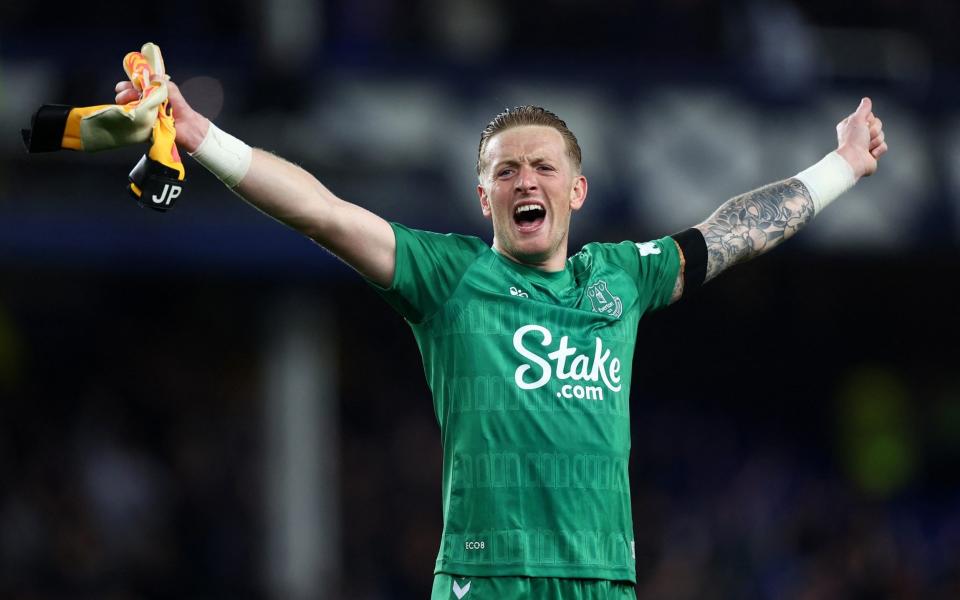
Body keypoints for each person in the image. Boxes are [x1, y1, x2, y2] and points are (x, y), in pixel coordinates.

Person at [115, 76, 887, 599]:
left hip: (602, 581)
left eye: (544, 168)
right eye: (507, 170)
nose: (527, 181)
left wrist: (842, 167)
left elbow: (730, 234)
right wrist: (202, 135)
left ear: (576, 190)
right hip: (488, 580)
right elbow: (323, 211)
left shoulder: (621, 278)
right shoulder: (447, 277)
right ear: (482, 193)